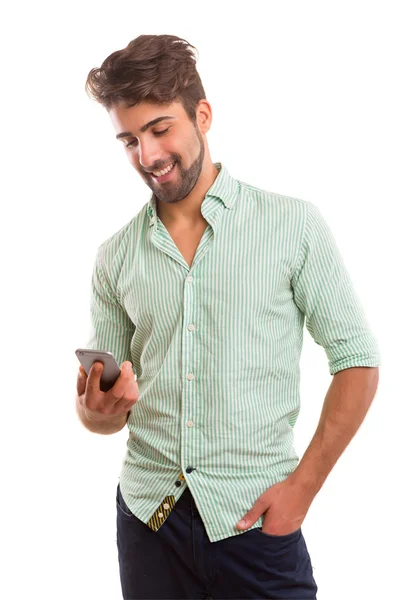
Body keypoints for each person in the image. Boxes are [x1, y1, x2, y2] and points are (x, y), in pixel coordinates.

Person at [76, 34, 380, 600]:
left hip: (256, 522)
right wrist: (95, 410)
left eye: (160, 129)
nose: (148, 157)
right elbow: (105, 414)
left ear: (203, 115)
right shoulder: (115, 257)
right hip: (148, 522)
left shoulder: (292, 226)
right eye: (129, 140)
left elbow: (358, 361)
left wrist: (302, 491)